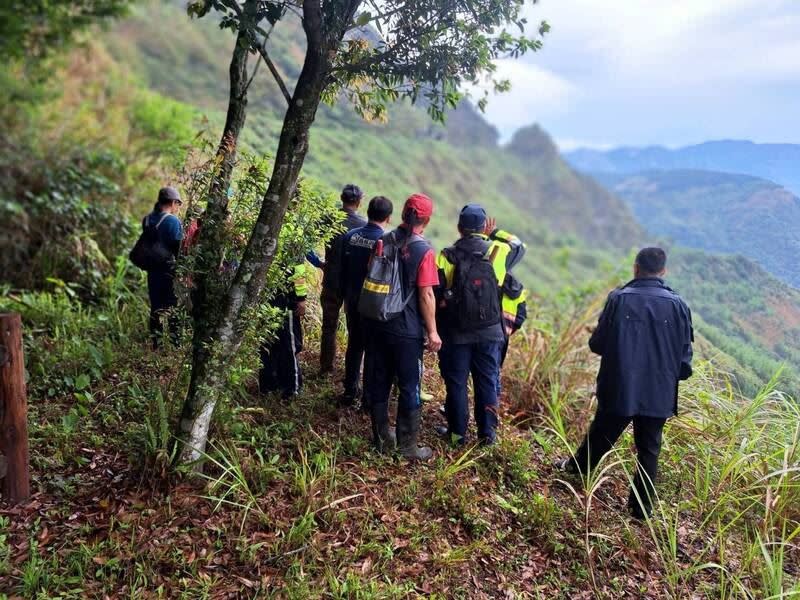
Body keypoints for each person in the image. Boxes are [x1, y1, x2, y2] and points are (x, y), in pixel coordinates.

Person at [557, 247, 694, 519]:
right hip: (658, 393)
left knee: (601, 434)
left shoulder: (619, 299)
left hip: (620, 385)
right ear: (663, 271)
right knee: (649, 450)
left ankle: (576, 471)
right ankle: (640, 510)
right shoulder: (679, 306)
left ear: (636, 267)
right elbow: (685, 362)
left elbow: (597, 343)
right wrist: (663, 377)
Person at [363, 193, 442, 460]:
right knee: (409, 385)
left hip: (377, 322)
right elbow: (426, 295)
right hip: (406, 331)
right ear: (426, 220)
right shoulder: (424, 250)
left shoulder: (382, 241)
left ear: (402, 214)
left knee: (379, 380)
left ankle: (382, 439)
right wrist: (432, 331)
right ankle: (407, 447)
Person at [435, 204, 505, 446]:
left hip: (457, 331)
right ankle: (488, 435)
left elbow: (437, 292)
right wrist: (493, 235)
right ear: (484, 227)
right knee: (487, 380)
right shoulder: (498, 252)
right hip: (490, 330)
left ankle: (457, 434)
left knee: (457, 382)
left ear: (459, 228)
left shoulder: (446, 255)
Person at [339, 196, 394, 409]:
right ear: (388, 217)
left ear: (368, 211)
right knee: (373, 350)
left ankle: (350, 390)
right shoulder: (387, 242)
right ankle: (368, 399)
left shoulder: (350, 236)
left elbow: (342, 269)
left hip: (352, 299)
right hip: (374, 304)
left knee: (354, 345)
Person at [319, 184, 367, 375]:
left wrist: (319, 263)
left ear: (342, 198)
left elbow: (305, 244)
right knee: (354, 328)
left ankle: (326, 368)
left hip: (331, 280)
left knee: (328, 325)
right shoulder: (363, 225)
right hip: (353, 284)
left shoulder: (329, 219)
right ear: (359, 201)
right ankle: (352, 372)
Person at [259, 261, 308, 399]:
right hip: (278, 303)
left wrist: (301, 298)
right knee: (274, 346)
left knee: (279, 346)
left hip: (281, 303)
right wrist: (301, 298)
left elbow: (298, 269)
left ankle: (285, 388)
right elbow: (299, 268)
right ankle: (284, 388)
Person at [143, 186, 184, 348]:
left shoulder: (147, 219)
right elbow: (178, 248)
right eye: (178, 204)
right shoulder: (173, 221)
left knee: (156, 306)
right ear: (173, 202)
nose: (178, 208)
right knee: (173, 308)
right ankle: (175, 344)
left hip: (153, 271)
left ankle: (157, 344)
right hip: (169, 271)